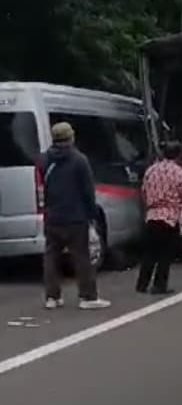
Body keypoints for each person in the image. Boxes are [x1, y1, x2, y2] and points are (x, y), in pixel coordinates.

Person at [39, 121, 111, 311]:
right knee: (81, 257)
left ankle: (52, 297)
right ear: (71, 137)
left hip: (52, 216)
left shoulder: (44, 160)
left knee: (51, 257)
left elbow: (42, 189)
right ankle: (87, 296)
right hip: (76, 217)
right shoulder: (79, 160)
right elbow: (88, 192)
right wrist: (92, 215)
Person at [137, 142, 182, 296]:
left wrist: (148, 208)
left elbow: (143, 192)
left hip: (152, 216)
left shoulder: (151, 170)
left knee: (149, 252)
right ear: (178, 155)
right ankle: (159, 286)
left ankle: (142, 284)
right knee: (165, 254)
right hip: (169, 218)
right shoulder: (179, 173)